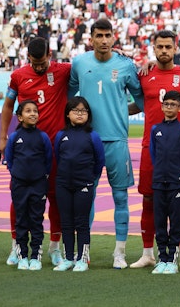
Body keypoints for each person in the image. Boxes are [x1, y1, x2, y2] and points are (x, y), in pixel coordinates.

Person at [68, 17, 145, 268]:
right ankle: (84, 252)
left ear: (114, 37)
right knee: (86, 198)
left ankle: (119, 254)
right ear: (90, 38)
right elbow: (69, 98)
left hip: (117, 141)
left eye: (107, 35)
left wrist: (123, 110)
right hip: (87, 141)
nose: (103, 40)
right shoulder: (79, 62)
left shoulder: (126, 65)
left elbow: (142, 101)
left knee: (120, 197)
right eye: (98, 36)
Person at [131, 31, 180, 271]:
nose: (164, 51)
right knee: (148, 198)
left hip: (177, 152)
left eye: (168, 47)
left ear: (176, 49)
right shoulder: (144, 74)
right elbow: (138, 105)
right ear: (153, 48)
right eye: (160, 47)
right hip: (149, 147)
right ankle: (147, 253)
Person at [0, 37, 70, 267]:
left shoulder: (63, 70)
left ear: (50, 55)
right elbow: (9, 105)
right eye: (34, 63)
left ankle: (54, 247)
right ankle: (16, 247)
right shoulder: (18, 76)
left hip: (55, 149)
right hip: (26, 150)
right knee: (19, 200)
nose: (39, 67)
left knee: (55, 199)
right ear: (27, 57)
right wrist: (2, 136)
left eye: (43, 63)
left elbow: (94, 63)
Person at [53, 97, 105, 272]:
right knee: (66, 222)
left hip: (84, 183)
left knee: (81, 222)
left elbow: (99, 161)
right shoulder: (61, 135)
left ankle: (82, 259)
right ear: (68, 114)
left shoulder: (93, 136)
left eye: (83, 111)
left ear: (88, 115)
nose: (80, 114)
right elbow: (58, 157)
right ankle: (68, 258)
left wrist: (89, 178)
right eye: (76, 110)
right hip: (63, 184)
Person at [148, 90, 180, 275]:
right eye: (166, 104)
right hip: (159, 180)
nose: (169, 107)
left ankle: (173, 258)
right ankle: (162, 258)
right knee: (159, 220)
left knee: (175, 219)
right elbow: (153, 153)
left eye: (173, 105)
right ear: (161, 106)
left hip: (176, 181)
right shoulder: (155, 129)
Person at [4, 100, 53, 271]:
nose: (32, 114)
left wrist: (41, 177)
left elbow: (48, 160)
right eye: (28, 111)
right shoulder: (15, 137)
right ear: (19, 116)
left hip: (38, 185)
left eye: (35, 111)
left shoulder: (43, 137)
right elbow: (9, 160)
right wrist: (18, 175)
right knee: (21, 221)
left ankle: (35, 257)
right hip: (19, 184)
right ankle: (22, 256)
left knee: (36, 220)